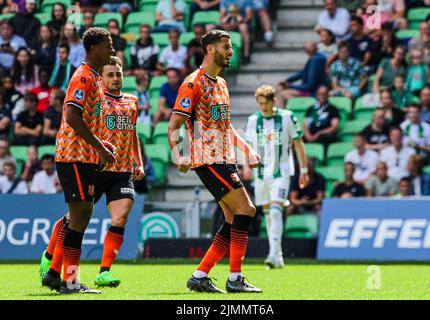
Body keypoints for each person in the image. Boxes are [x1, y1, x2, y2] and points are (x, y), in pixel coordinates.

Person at [168, 30, 263, 293]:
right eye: (226, 47)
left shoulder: (221, 83)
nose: (231, 51)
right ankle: (235, 279)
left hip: (226, 158)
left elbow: (226, 126)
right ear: (210, 49)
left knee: (234, 218)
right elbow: (174, 124)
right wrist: (180, 155)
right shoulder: (192, 83)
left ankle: (200, 275)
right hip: (208, 159)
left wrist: (247, 150)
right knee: (247, 209)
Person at [40, 56, 145, 290]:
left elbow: (133, 133)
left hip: (121, 169)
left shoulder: (132, 102)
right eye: (110, 74)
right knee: (74, 219)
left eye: (118, 74)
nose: (116, 79)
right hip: (95, 168)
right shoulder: (95, 100)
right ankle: (51, 264)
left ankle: (104, 272)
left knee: (121, 216)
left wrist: (138, 161)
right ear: (102, 77)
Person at [41, 27, 115, 295]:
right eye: (108, 45)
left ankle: (55, 275)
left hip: (83, 157)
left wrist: (99, 146)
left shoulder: (94, 77)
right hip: (73, 155)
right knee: (81, 216)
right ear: (93, 48)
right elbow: (72, 117)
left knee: (80, 214)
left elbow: (87, 121)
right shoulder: (83, 77)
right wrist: (99, 148)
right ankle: (69, 281)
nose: (113, 50)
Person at [243, 85, 309, 269]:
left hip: (281, 172)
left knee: (274, 210)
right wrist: (246, 166)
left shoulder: (287, 117)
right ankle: (277, 255)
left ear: (274, 101)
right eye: (260, 103)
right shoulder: (252, 120)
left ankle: (272, 254)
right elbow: (248, 147)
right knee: (268, 215)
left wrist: (304, 171)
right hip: (261, 174)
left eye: (266, 103)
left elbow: (298, 144)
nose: (263, 107)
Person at [278, 42, 327, 107]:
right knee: (282, 88)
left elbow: (309, 86)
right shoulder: (314, 58)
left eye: (307, 49)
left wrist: (290, 85)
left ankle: (296, 108)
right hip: (311, 90)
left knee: (282, 94)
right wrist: (288, 80)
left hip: (314, 92)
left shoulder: (315, 61)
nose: (306, 50)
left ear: (316, 49)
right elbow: (303, 73)